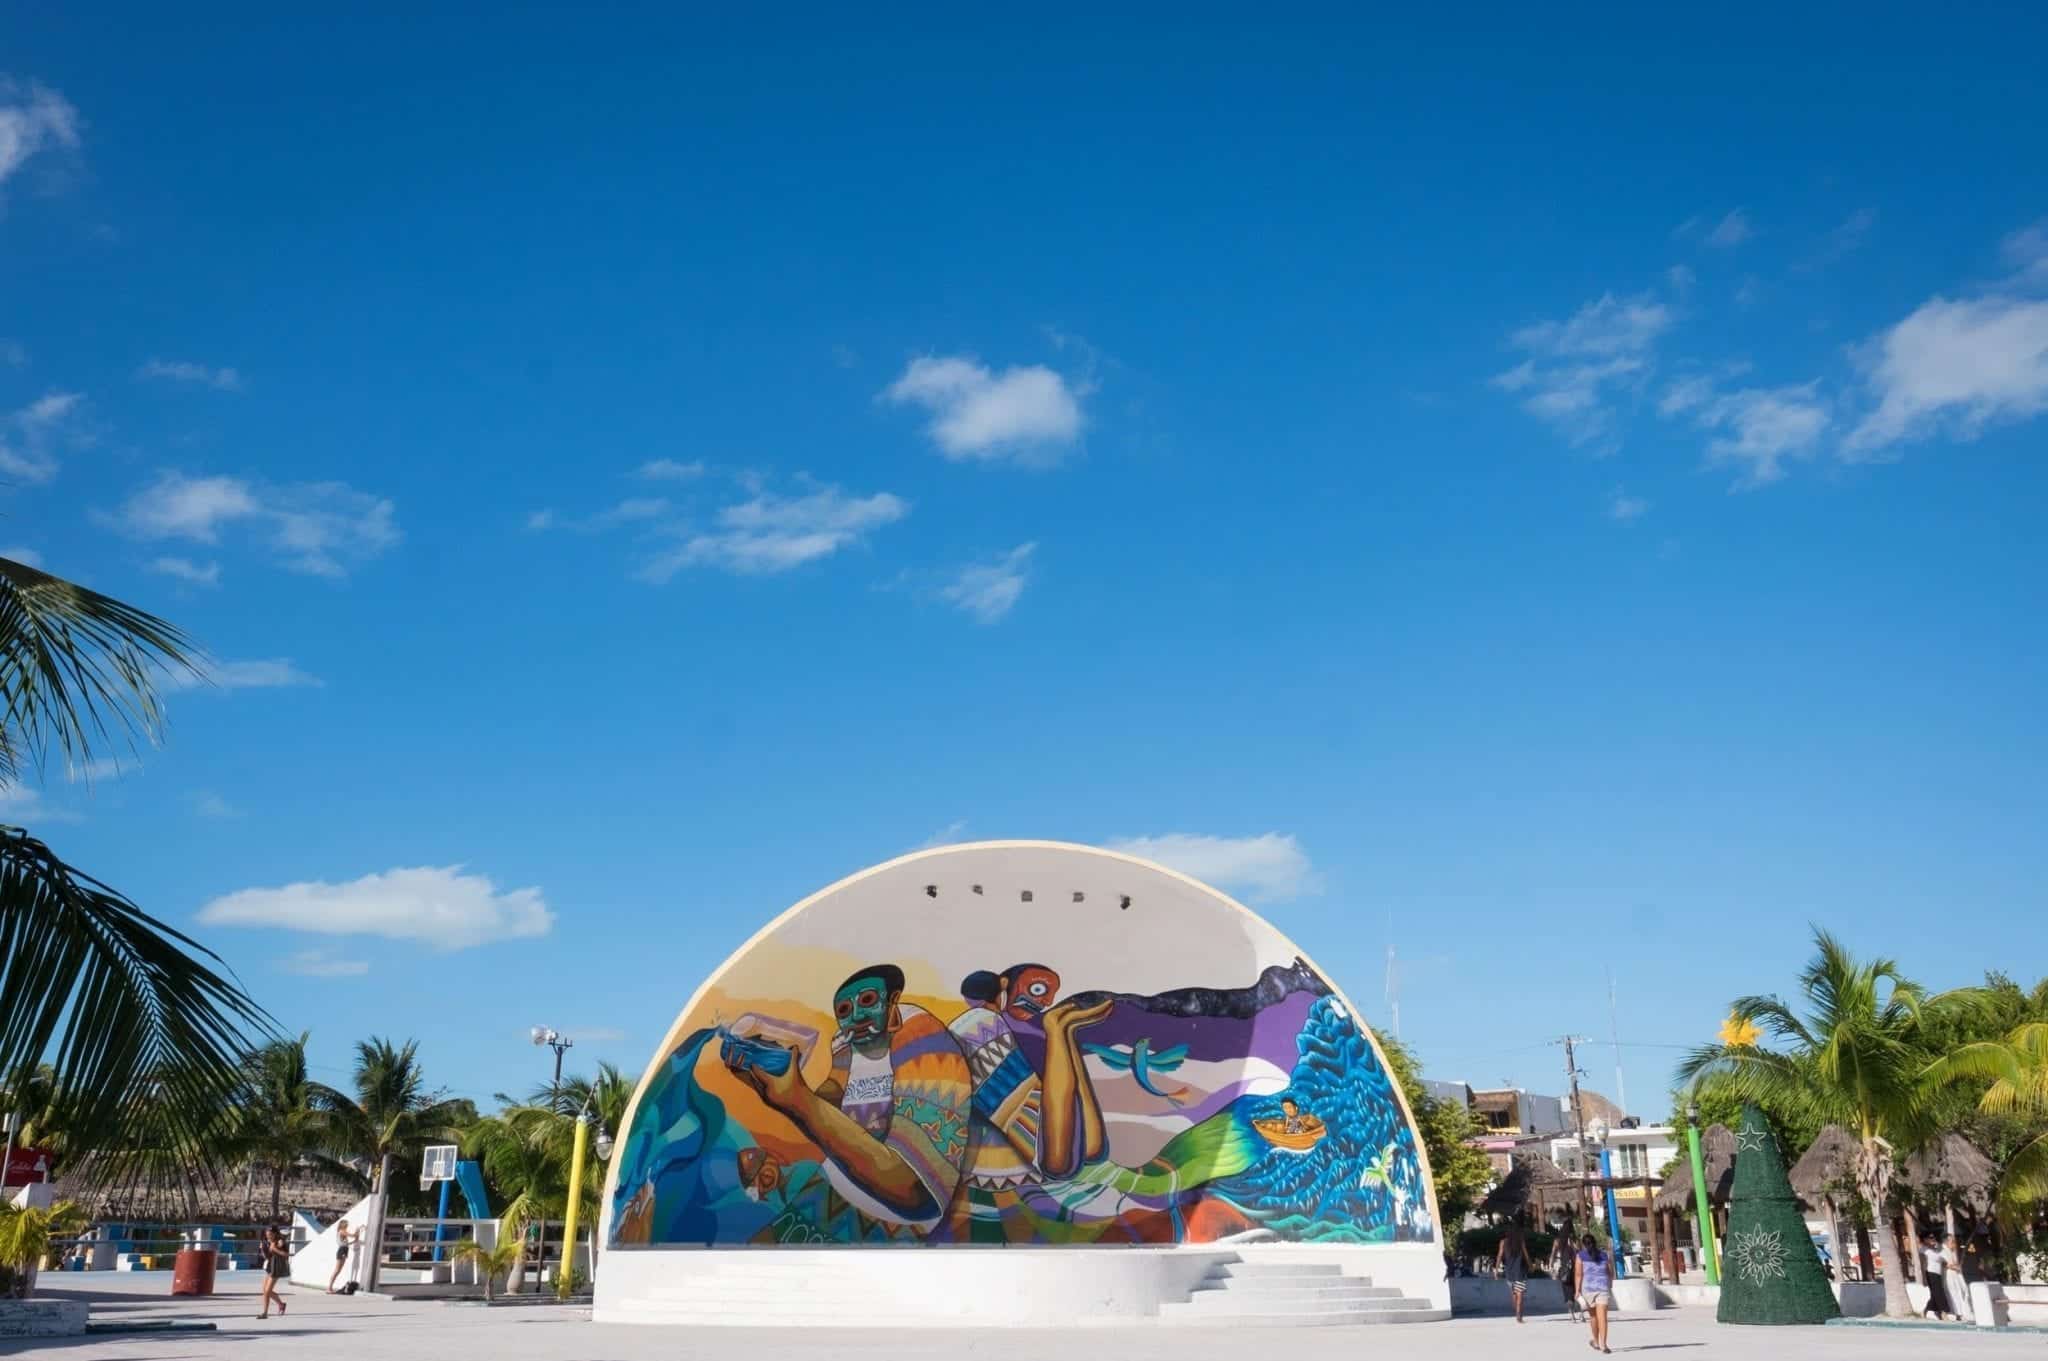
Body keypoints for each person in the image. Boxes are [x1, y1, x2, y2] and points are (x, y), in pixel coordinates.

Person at [1575, 1233, 1613, 1353]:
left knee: (1593, 1317)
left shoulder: (1580, 1255)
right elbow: (1609, 1272)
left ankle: (1596, 1342)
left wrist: (1577, 1290)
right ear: (1595, 1242)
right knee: (1603, 1317)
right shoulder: (1604, 1255)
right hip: (1602, 1288)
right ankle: (1604, 1345)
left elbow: (1578, 1274)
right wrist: (1610, 1285)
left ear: (1583, 1244)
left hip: (1588, 1290)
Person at [1496, 1213, 1533, 1322]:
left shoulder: (1503, 1242)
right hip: (1520, 1271)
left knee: (1514, 1293)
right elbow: (1526, 1255)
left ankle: (1517, 1312)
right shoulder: (1520, 1241)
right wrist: (1530, 1266)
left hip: (1509, 1272)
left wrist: (1496, 1270)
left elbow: (1499, 1256)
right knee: (1520, 1293)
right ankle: (1519, 1315)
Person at [258, 1225, 291, 1319]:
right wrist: (262, 1250)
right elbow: (267, 1257)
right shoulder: (267, 1242)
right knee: (265, 1291)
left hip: (277, 1267)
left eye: (270, 1234)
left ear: (275, 1234)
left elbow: (286, 1255)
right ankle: (281, 1304)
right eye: (267, 1234)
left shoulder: (280, 1242)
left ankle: (265, 1313)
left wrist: (275, 1249)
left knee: (267, 1291)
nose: (268, 1236)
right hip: (270, 1266)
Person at [1922, 1230, 1955, 1320]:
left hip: (1938, 1273)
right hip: (1930, 1273)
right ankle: (1944, 1312)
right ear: (1925, 1239)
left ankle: (1926, 1310)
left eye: (1934, 1237)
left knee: (1935, 1294)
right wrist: (1924, 1278)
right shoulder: (1924, 1249)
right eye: (1931, 1238)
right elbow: (1932, 1260)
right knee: (1939, 1292)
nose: (1933, 1239)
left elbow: (1942, 1258)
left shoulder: (1935, 1248)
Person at [1553, 1233, 1583, 1323]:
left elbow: (1556, 1260)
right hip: (1576, 1274)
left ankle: (1572, 1316)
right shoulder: (1576, 1248)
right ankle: (1581, 1315)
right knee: (1579, 1294)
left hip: (1566, 1275)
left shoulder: (1561, 1248)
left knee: (1568, 1296)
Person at [1945, 1232, 1974, 1325]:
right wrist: (1956, 1267)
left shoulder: (1952, 1252)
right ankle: (1957, 1313)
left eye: (1954, 1241)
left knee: (1961, 1292)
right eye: (1951, 1241)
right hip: (1950, 1276)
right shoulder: (1944, 1251)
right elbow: (1947, 1264)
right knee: (1954, 1294)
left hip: (1956, 1275)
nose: (1953, 1243)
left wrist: (1957, 1267)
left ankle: (1962, 1312)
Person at [326, 1220, 352, 1293]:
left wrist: (355, 1239)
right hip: (342, 1250)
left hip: (344, 1250)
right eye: (346, 1225)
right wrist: (358, 1230)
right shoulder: (342, 1231)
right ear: (343, 1225)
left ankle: (330, 1288)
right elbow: (352, 1235)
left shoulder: (342, 1232)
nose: (347, 1226)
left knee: (338, 1270)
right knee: (337, 1270)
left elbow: (347, 1243)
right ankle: (329, 1288)